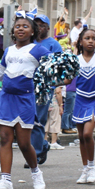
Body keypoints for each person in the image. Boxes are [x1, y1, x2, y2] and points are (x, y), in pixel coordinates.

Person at [0, 10, 49, 189]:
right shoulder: (9, 50)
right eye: (18, 26)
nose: (21, 29)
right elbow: (0, 75)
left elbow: (51, 71)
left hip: (25, 99)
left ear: (33, 31)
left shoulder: (39, 50)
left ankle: (36, 173)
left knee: (24, 143)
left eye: (25, 26)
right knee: (5, 139)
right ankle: (5, 181)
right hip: (5, 98)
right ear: (13, 30)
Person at [29, 14, 62, 166]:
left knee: (38, 121)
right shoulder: (29, 42)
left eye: (42, 25)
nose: (39, 28)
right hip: (27, 86)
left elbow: (60, 67)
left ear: (48, 28)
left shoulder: (54, 45)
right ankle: (42, 146)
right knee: (27, 121)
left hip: (44, 87)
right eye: (36, 25)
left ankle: (34, 155)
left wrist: (54, 87)